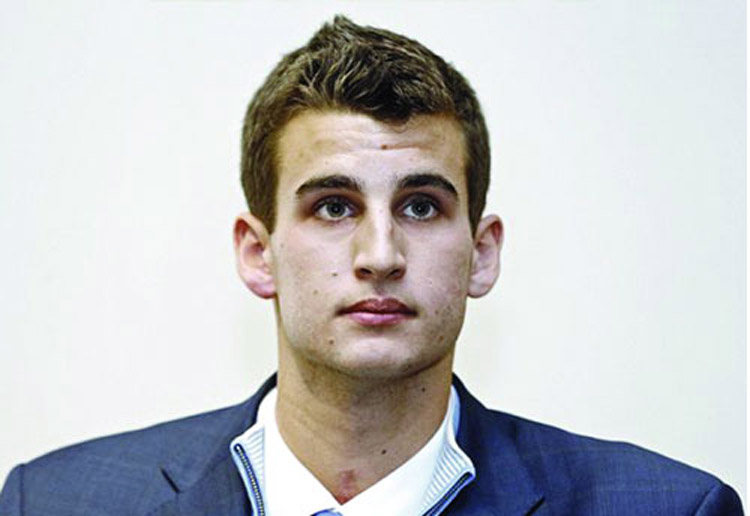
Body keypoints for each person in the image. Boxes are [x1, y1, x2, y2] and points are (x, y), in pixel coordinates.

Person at [0, 15, 743, 516]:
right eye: (333, 206)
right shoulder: (54, 503)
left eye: (420, 206)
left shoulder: (669, 508)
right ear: (258, 253)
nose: (381, 256)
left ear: (482, 253)